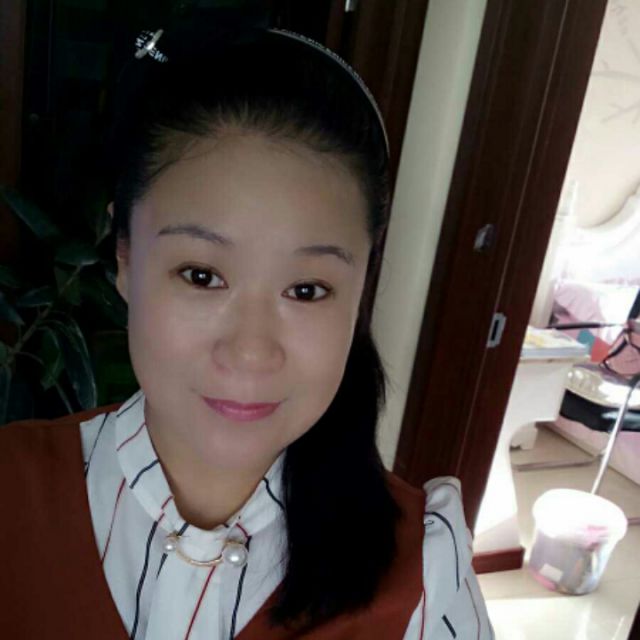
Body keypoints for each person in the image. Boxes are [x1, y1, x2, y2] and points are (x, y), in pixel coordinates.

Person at [0, 19, 493, 640]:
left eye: (306, 289)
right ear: (124, 256)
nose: (251, 351)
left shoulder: (424, 569)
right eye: (202, 275)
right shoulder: (10, 488)